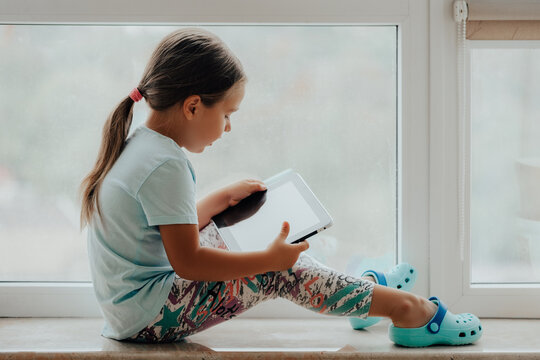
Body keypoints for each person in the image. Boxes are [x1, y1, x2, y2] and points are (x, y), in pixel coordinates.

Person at [79, 28, 482, 347]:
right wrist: (266, 262)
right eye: (227, 114)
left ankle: (365, 298)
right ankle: (410, 311)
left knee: (265, 241)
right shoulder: (167, 163)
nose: (229, 127)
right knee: (280, 268)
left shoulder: (142, 146)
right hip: (149, 316)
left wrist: (218, 200)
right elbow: (188, 262)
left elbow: (162, 228)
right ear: (193, 105)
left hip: (134, 308)